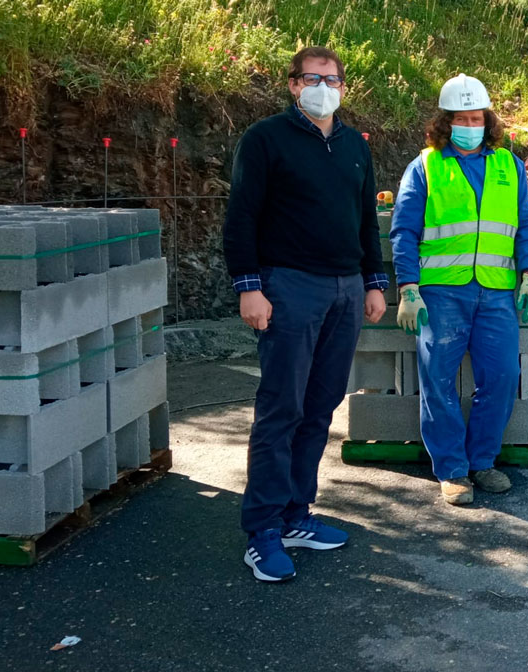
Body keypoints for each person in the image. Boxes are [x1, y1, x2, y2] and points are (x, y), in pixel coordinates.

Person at [223, 46, 388, 582]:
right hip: (288, 287)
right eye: (313, 79)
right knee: (281, 409)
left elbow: (366, 219)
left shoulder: (353, 146)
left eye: (333, 79)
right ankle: (264, 529)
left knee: (319, 408)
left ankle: (297, 514)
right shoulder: (265, 139)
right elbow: (242, 215)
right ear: (293, 85)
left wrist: (373, 281)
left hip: (345, 289)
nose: (324, 87)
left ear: (344, 86)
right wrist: (250, 288)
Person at [389, 73, 528, 506]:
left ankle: (483, 461)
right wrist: (409, 288)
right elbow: (404, 230)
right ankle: (453, 470)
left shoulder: (508, 165)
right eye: (461, 118)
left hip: (496, 291)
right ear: (446, 121)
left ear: (488, 120)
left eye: (477, 117)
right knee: (437, 379)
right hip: (441, 293)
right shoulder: (425, 166)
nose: (470, 125)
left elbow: (526, 224)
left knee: (501, 377)